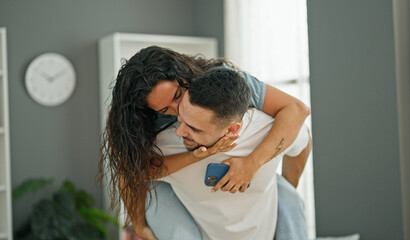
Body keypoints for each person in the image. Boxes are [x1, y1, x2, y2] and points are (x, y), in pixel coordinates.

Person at [98, 46, 311, 239]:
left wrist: (253, 163)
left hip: (260, 194)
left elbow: (297, 111)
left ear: (185, 75)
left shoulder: (228, 85)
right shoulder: (149, 126)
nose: (179, 110)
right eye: (165, 111)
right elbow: (131, 171)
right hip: (170, 188)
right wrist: (140, 225)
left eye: (178, 95)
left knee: (285, 192)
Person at [149, 68, 311, 239]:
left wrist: (257, 166)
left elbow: (303, 138)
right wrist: (193, 157)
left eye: (194, 129)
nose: (180, 132)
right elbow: (133, 174)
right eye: (181, 118)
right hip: (203, 231)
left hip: (266, 230)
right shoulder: (166, 145)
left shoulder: (270, 130)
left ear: (232, 129)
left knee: (288, 195)